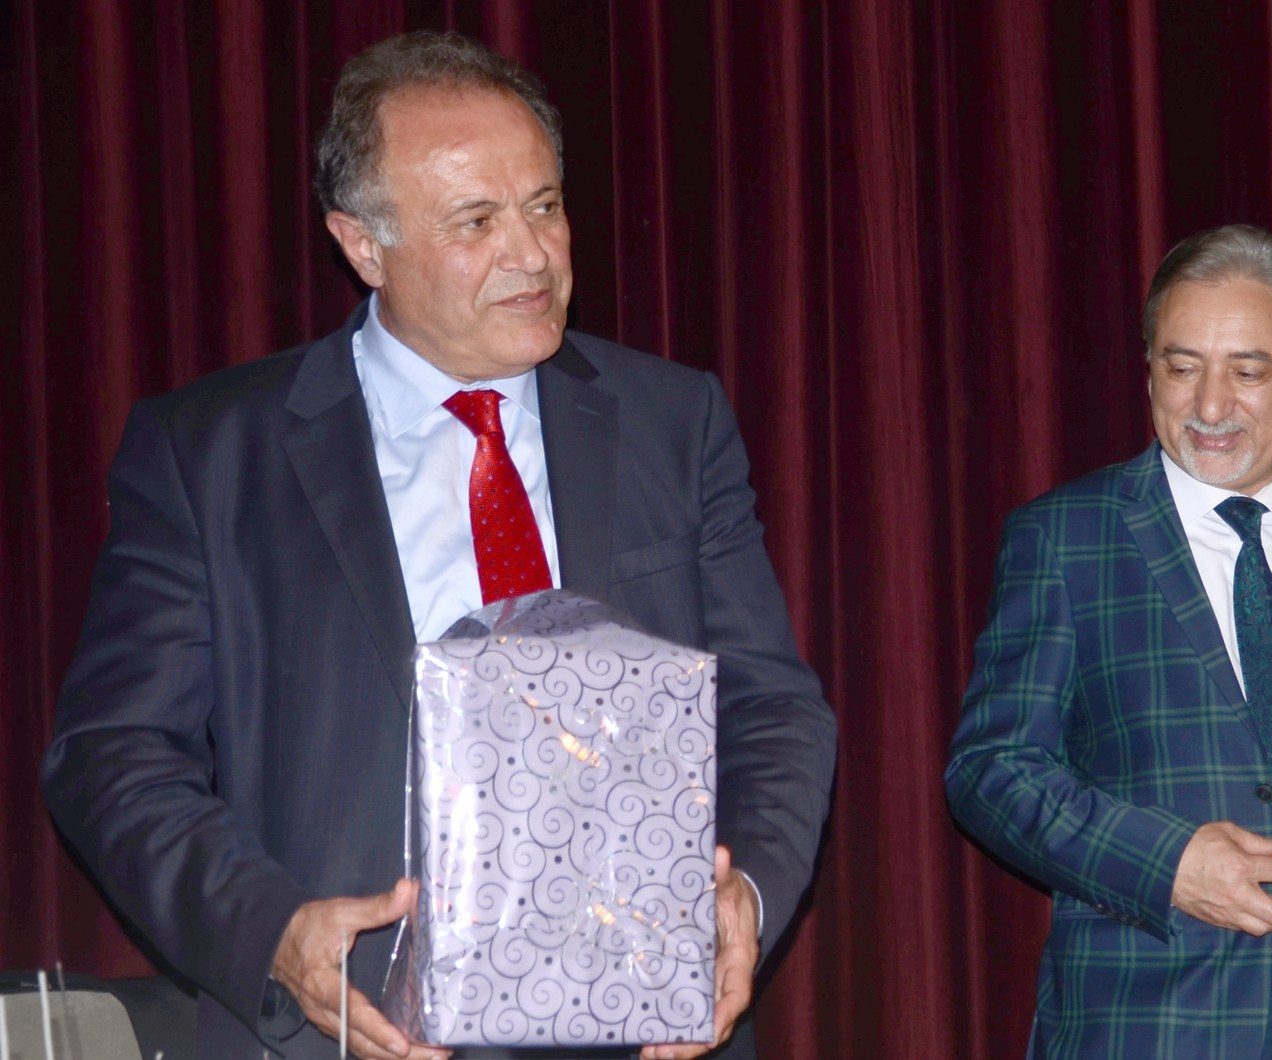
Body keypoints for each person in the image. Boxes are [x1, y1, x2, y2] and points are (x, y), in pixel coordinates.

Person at [43, 31, 835, 1060]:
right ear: (363, 246)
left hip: (644, 1026)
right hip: (347, 1029)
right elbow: (112, 753)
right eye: (476, 221)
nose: (532, 254)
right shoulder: (212, 454)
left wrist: (747, 895)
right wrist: (271, 935)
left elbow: (772, 709)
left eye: (544, 206)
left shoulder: (672, 424)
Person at [945, 224, 1272, 1057]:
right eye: (1182, 367)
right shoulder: (1065, 538)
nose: (1211, 407)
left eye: (1248, 371)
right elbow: (991, 770)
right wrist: (1168, 865)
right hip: (1142, 1030)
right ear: (1149, 371)